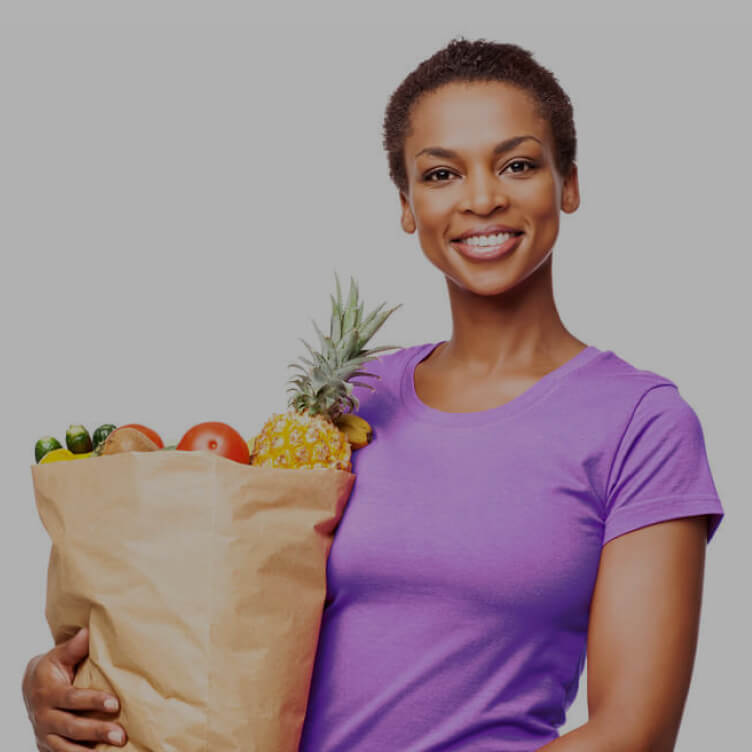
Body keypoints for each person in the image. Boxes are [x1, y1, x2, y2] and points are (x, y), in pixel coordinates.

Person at [23, 36, 724, 751]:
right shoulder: (352, 406)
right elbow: (221, 604)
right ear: (407, 205)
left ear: (567, 183)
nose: (482, 197)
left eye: (517, 164)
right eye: (442, 173)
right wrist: (65, 687)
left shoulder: (641, 425)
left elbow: (634, 734)